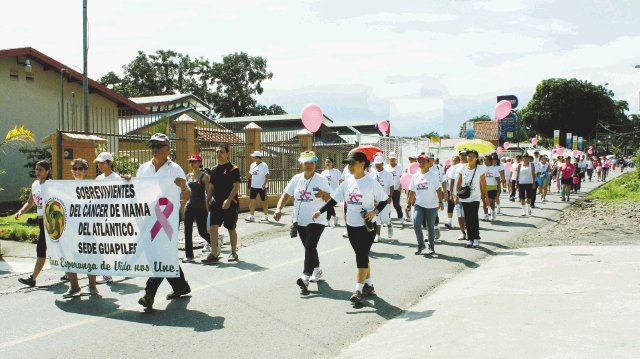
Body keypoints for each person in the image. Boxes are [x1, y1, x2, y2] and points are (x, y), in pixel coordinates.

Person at [312, 151, 389, 305]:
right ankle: (369, 285)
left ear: (362, 164)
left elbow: (384, 200)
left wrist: (374, 211)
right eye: (348, 163)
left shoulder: (371, 182)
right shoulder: (347, 181)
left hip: (366, 227)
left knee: (361, 256)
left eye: (352, 163)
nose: (350, 166)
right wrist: (320, 211)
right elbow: (333, 200)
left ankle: (358, 291)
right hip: (351, 226)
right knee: (362, 256)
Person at [135, 133, 191, 310]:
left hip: (167, 217)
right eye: (152, 145)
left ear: (168, 148)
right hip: (148, 216)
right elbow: (137, 191)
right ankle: (181, 285)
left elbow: (187, 194)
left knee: (162, 253)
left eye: (159, 146)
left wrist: (182, 186)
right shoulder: (143, 168)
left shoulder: (175, 169)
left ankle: (149, 294)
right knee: (155, 254)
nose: (155, 149)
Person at [274, 151, 332, 293]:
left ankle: (305, 277)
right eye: (306, 163)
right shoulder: (296, 179)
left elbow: (331, 200)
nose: (309, 165)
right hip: (300, 220)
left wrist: (324, 194)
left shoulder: (321, 180)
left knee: (309, 246)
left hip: (317, 219)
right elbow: (286, 195)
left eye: (312, 162)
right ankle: (317, 270)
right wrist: (278, 209)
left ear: (315, 164)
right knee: (309, 247)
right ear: (301, 164)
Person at [62, 158, 100, 297]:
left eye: (80, 169)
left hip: (88, 228)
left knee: (90, 256)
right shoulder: (66, 188)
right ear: (72, 171)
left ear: (85, 171)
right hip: (71, 229)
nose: (77, 171)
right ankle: (74, 287)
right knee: (70, 256)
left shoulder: (92, 187)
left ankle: (92, 286)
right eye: (75, 169)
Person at [203, 144, 241, 264]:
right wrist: (208, 199)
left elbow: (236, 186)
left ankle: (233, 252)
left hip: (230, 203)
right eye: (217, 152)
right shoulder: (214, 169)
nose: (219, 154)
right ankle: (214, 253)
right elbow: (212, 186)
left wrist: (229, 200)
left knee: (231, 228)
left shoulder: (233, 168)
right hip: (216, 203)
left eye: (221, 152)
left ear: (227, 153)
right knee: (213, 228)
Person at [16, 160, 51, 287]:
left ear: (47, 171)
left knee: (43, 248)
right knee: (44, 248)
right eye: (36, 169)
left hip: (51, 221)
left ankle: (33, 278)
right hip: (41, 220)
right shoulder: (35, 184)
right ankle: (33, 279)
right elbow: (30, 202)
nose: (37, 172)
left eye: (40, 169)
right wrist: (21, 211)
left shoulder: (52, 185)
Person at [94, 152, 122, 284]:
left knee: (108, 245)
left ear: (109, 163)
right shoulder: (99, 178)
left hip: (112, 217)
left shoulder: (116, 178)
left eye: (102, 162)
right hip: (101, 216)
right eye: (99, 163)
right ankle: (105, 271)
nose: (100, 165)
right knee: (102, 244)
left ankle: (107, 274)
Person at [407, 154, 443, 255]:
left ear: (428, 163)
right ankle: (420, 245)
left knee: (430, 227)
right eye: (420, 161)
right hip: (419, 204)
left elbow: (439, 190)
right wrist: (409, 204)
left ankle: (431, 246)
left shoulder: (434, 176)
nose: (421, 163)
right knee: (416, 224)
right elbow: (412, 191)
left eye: (424, 162)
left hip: (432, 205)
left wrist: (440, 202)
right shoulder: (415, 176)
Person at [182, 154, 212, 263]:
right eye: (190, 161)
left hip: (201, 207)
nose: (191, 163)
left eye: (194, 161)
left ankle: (215, 244)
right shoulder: (187, 176)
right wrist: (185, 203)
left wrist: (208, 206)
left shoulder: (205, 176)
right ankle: (189, 255)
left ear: (199, 163)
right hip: (189, 207)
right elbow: (185, 192)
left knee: (202, 231)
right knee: (187, 231)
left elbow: (208, 193)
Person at [455, 150, 487, 249]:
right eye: (468, 156)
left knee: (473, 218)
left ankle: (476, 239)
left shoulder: (480, 169)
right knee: (467, 219)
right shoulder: (462, 168)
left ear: (476, 158)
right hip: (464, 197)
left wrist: (485, 197)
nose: (470, 157)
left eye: (473, 156)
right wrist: (456, 196)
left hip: (475, 197)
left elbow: (484, 184)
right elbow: (459, 183)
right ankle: (470, 239)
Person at [370, 155, 394, 242]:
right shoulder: (372, 173)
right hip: (375, 200)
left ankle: (389, 225)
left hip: (385, 199)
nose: (377, 166)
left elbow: (391, 186)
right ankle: (377, 235)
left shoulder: (388, 174)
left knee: (385, 218)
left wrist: (390, 196)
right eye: (376, 164)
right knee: (377, 217)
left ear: (382, 164)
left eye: (379, 164)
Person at [450, 150, 468, 240]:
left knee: (468, 215)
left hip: (469, 195)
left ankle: (469, 231)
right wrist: (451, 195)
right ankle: (462, 232)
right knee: (460, 215)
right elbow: (452, 181)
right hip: (457, 195)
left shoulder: (471, 166)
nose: (463, 156)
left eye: (465, 154)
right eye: (461, 155)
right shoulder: (455, 167)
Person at [247, 150, 269, 222]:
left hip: (262, 187)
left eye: (254, 157)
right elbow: (250, 174)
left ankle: (265, 216)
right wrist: (249, 184)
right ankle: (252, 216)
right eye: (253, 157)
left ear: (259, 158)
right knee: (252, 201)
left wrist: (264, 184)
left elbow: (267, 175)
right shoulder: (252, 165)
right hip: (254, 186)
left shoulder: (264, 165)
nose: (253, 158)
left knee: (264, 201)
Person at [320, 157, 342, 226]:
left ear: (332, 163)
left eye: (329, 162)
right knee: (329, 206)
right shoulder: (323, 172)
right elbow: (321, 183)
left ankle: (328, 220)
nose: (327, 163)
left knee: (329, 206)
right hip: (326, 193)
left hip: (335, 193)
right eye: (326, 162)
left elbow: (341, 181)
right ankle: (334, 217)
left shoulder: (336, 171)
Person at [385, 152, 403, 222]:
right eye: (391, 159)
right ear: (388, 158)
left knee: (396, 204)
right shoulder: (386, 167)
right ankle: (387, 219)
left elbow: (402, 178)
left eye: (393, 159)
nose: (392, 160)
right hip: (388, 189)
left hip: (396, 189)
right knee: (387, 204)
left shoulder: (399, 167)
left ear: (396, 159)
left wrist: (400, 186)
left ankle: (400, 216)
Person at [444, 156, 460, 229]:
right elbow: (446, 179)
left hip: (459, 191)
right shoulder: (449, 169)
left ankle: (463, 221)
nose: (455, 161)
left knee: (460, 207)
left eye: (456, 160)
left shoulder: (461, 167)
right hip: (450, 189)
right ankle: (449, 221)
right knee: (450, 205)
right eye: (453, 160)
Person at [403, 155, 417, 221]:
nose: (411, 160)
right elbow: (404, 177)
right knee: (409, 200)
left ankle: (417, 215)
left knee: (416, 201)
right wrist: (404, 186)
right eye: (410, 159)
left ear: (415, 160)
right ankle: (408, 215)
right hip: (409, 186)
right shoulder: (407, 167)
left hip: (417, 186)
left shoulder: (419, 166)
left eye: (412, 159)